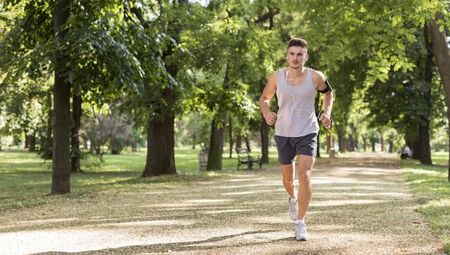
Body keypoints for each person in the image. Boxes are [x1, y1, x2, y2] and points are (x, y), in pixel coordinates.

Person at [259, 38, 334, 241]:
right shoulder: (277, 77)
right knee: (287, 180)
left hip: (308, 130)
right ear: (287, 56)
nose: (295, 58)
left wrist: (327, 113)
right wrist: (267, 113)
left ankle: (300, 223)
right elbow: (264, 99)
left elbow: (328, 93)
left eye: (299, 54)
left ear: (306, 56)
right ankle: (292, 198)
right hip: (283, 131)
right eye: (292, 54)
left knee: (305, 175)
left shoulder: (315, 76)